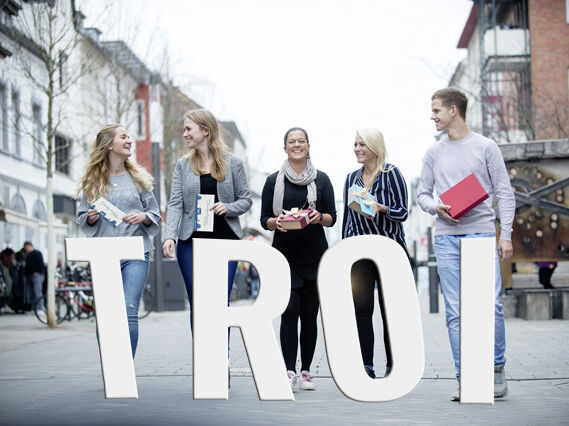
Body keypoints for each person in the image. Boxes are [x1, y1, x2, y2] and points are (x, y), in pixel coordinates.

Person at [417, 87, 515, 401]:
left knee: (490, 307)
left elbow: (505, 192)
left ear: (454, 110)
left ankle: (496, 368)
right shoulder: (434, 152)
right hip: (446, 238)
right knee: (456, 313)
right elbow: (422, 195)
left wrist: (507, 234)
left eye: (436, 110)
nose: (432, 116)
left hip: (482, 234)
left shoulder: (486, 147)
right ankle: (468, 377)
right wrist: (436, 207)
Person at [162, 109, 252, 388]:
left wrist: (228, 207)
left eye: (189, 128)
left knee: (219, 305)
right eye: (184, 129)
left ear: (205, 130)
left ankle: (220, 361)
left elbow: (246, 200)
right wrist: (170, 236)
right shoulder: (181, 165)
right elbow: (176, 203)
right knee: (199, 305)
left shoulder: (233, 164)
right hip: (192, 244)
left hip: (225, 242)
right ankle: (205, 362)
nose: (185, 133)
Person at [261, 127, 336, 390]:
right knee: (289, 311)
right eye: (291, 142)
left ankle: (305, 372)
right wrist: (276, 222)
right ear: (285, 148)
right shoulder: (273, 181)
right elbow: (264, 220)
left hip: (315, 255)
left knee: (309, 314)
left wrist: (318, 217)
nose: (296, 145)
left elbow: (331, 217)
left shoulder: (323, 180)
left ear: (308, 146)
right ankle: (288, 370)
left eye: (301, 141)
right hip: (285, 254)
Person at [76, 124, 161, 358]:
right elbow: (82, 216)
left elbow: (154, 214)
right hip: (104, 254)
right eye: (123, 137)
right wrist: (91, 218)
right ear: (109, 144)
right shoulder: (93, 182)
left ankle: (126, 368)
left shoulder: (139, 179)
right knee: (105, 312)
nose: (129, 140)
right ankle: (111, 366)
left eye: (129, 136)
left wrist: (144, 216)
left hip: (136, 253)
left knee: (128, 308)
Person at [342, 128, 409, 380]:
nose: (357, 149)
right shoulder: (351, 178)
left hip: (390, 248)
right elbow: (348, 218)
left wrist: (381, 208)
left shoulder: (391, 174)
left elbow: (403, 212)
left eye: (362, 144)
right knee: (361, 308)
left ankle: (394, 363)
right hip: (360, 251)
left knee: (389, 309)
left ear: (375, 146)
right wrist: (344, 251)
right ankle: (366, 364)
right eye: (355, 144)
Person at [23, 242, 45, 311]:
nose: (26, 249)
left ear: (30, 246)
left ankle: (39, 308)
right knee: (31, 293)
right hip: (29, 276)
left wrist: (37, 272)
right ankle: (33, 308)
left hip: (36, 276)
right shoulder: (28, 255)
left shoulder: (37, 253)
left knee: (37, 292)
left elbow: (41, 264)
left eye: (26, 248)